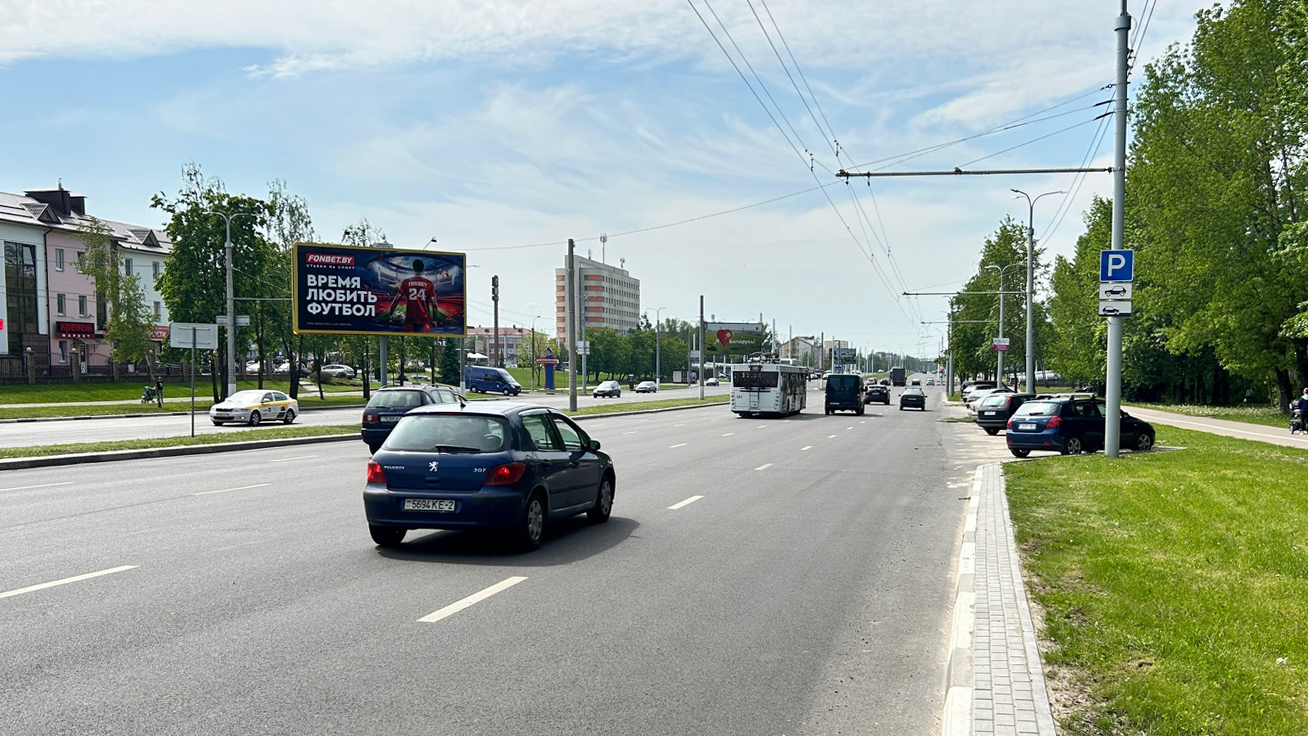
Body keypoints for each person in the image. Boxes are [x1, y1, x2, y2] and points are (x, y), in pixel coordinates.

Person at [382, 259, 437, 333]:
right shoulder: (429, 284)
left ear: (413, 269)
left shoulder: (406, 282)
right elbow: (434, 304)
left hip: (410, 319)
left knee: (408, 340)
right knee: (426, 340)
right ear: (423, 270)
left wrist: (391, 313)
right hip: (424, 319)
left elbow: (397, 299)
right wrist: (434, 320)